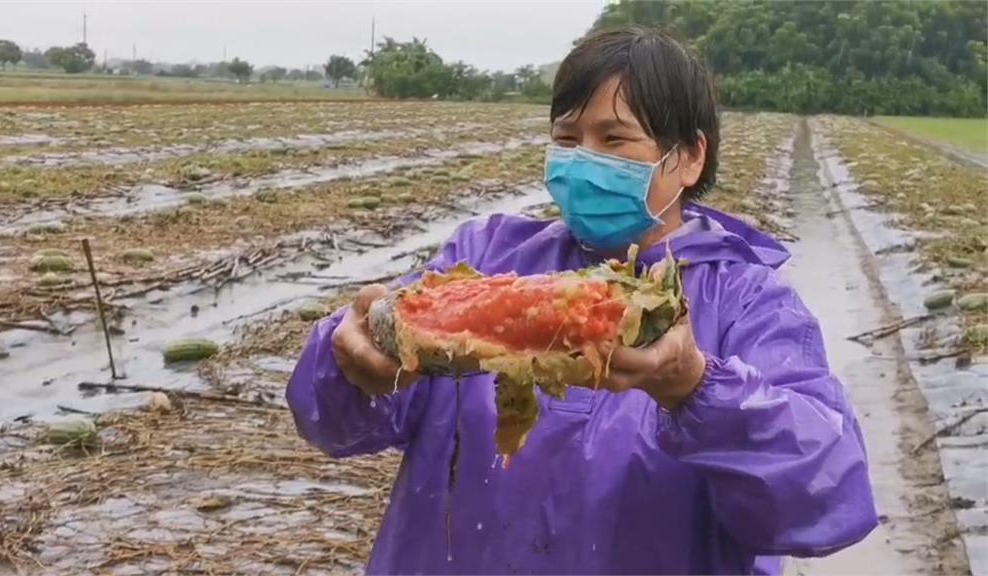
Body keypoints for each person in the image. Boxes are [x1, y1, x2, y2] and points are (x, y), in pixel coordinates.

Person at [287, 26, 877, 575]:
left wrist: (695, 387)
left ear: (690, 157)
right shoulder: (484, 257)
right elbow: (336, 425)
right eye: (567, 139)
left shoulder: (749, 303)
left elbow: (821, 492)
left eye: (614, 138)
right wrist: (345, 361)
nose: (583, 160)